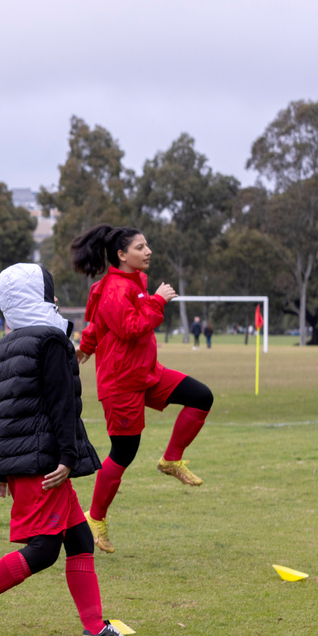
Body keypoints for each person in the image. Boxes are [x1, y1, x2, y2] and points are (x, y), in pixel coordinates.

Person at [0, 263, 139, 636]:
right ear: (37, 296)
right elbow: (60, 405)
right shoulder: (50, 340)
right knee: (44, 549)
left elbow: (3, 411)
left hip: (27, 458)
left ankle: (94, 627)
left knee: (80, 539)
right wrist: (67, 457)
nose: (54, 296)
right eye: (48, 289)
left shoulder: (7, 342)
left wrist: (4, 468)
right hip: (45, 461)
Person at [73, 224, 214, 554]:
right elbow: (130, 328)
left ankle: (171, 460)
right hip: (121, 383)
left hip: (146, 373)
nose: (147, 251)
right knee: (123, 454)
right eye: (140, 247)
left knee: (201, 396)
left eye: (146, 245)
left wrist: (87, 346)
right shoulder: (114, 289)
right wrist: (158, 301)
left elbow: (97, 323)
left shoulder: (131, 282)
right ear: (122, 255)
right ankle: (95, 519)